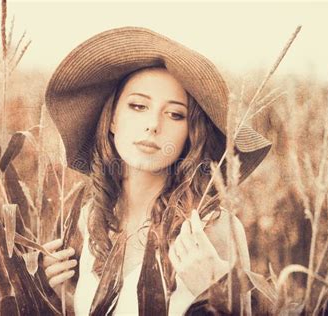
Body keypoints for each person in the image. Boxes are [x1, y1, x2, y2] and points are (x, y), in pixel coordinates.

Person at [42, 27, 271, 315]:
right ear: (112, 119)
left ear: (190, 133)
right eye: (138, 106)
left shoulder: (214, 229)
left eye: (175, 114)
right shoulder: (89, 220)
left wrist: (217, 292)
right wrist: (67, 295)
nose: (153, 124)